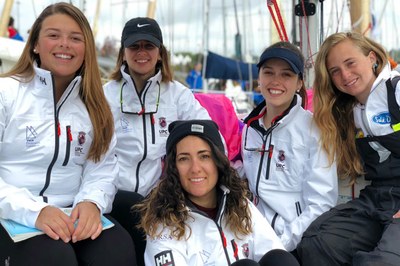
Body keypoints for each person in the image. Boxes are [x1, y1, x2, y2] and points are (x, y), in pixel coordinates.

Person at [0, 3, 135, 265]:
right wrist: (36, 212)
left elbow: (103, 169)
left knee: (116, 251)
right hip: (10, 213)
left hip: (72, 213)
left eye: (75, 38)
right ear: (35, 45)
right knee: (53, 259)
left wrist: (91, 203)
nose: (65, 44)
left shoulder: (95, 105)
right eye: (53, 35)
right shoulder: (5, 94)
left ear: (86, 50)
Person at [103, 17, 210, 265]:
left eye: (148, 46)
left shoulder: (178, 94)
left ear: (160, 53)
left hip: (160, 197)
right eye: (134, 46)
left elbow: (208, 133)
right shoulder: (105, 95)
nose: (142, 52)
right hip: (112, 197)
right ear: (124, 53)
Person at [296, 31, 400, 266]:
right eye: (335, 71)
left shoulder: (396, 91)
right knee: (317, 243)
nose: (345, 74)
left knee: (383, 261)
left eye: (350, 63)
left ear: (372, 58)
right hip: (377, 199)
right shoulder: (346, 112)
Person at [135, 119, 300, 266]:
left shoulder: (240, 205)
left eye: (204, 156)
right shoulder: (164, 224)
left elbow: (271, 250)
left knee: (280, 259)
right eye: (184, 158)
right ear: (173, 168)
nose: (195, 168)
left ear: (218, 161)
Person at [241, 41, 338, 253]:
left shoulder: (315, 130)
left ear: (299, 83)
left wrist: (281, 244)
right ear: (259, 78)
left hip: (293, 241)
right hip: (251, 234)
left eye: (286, 75)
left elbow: (321, 203)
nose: (276, 81)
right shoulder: (249, 128)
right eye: (269, 72)